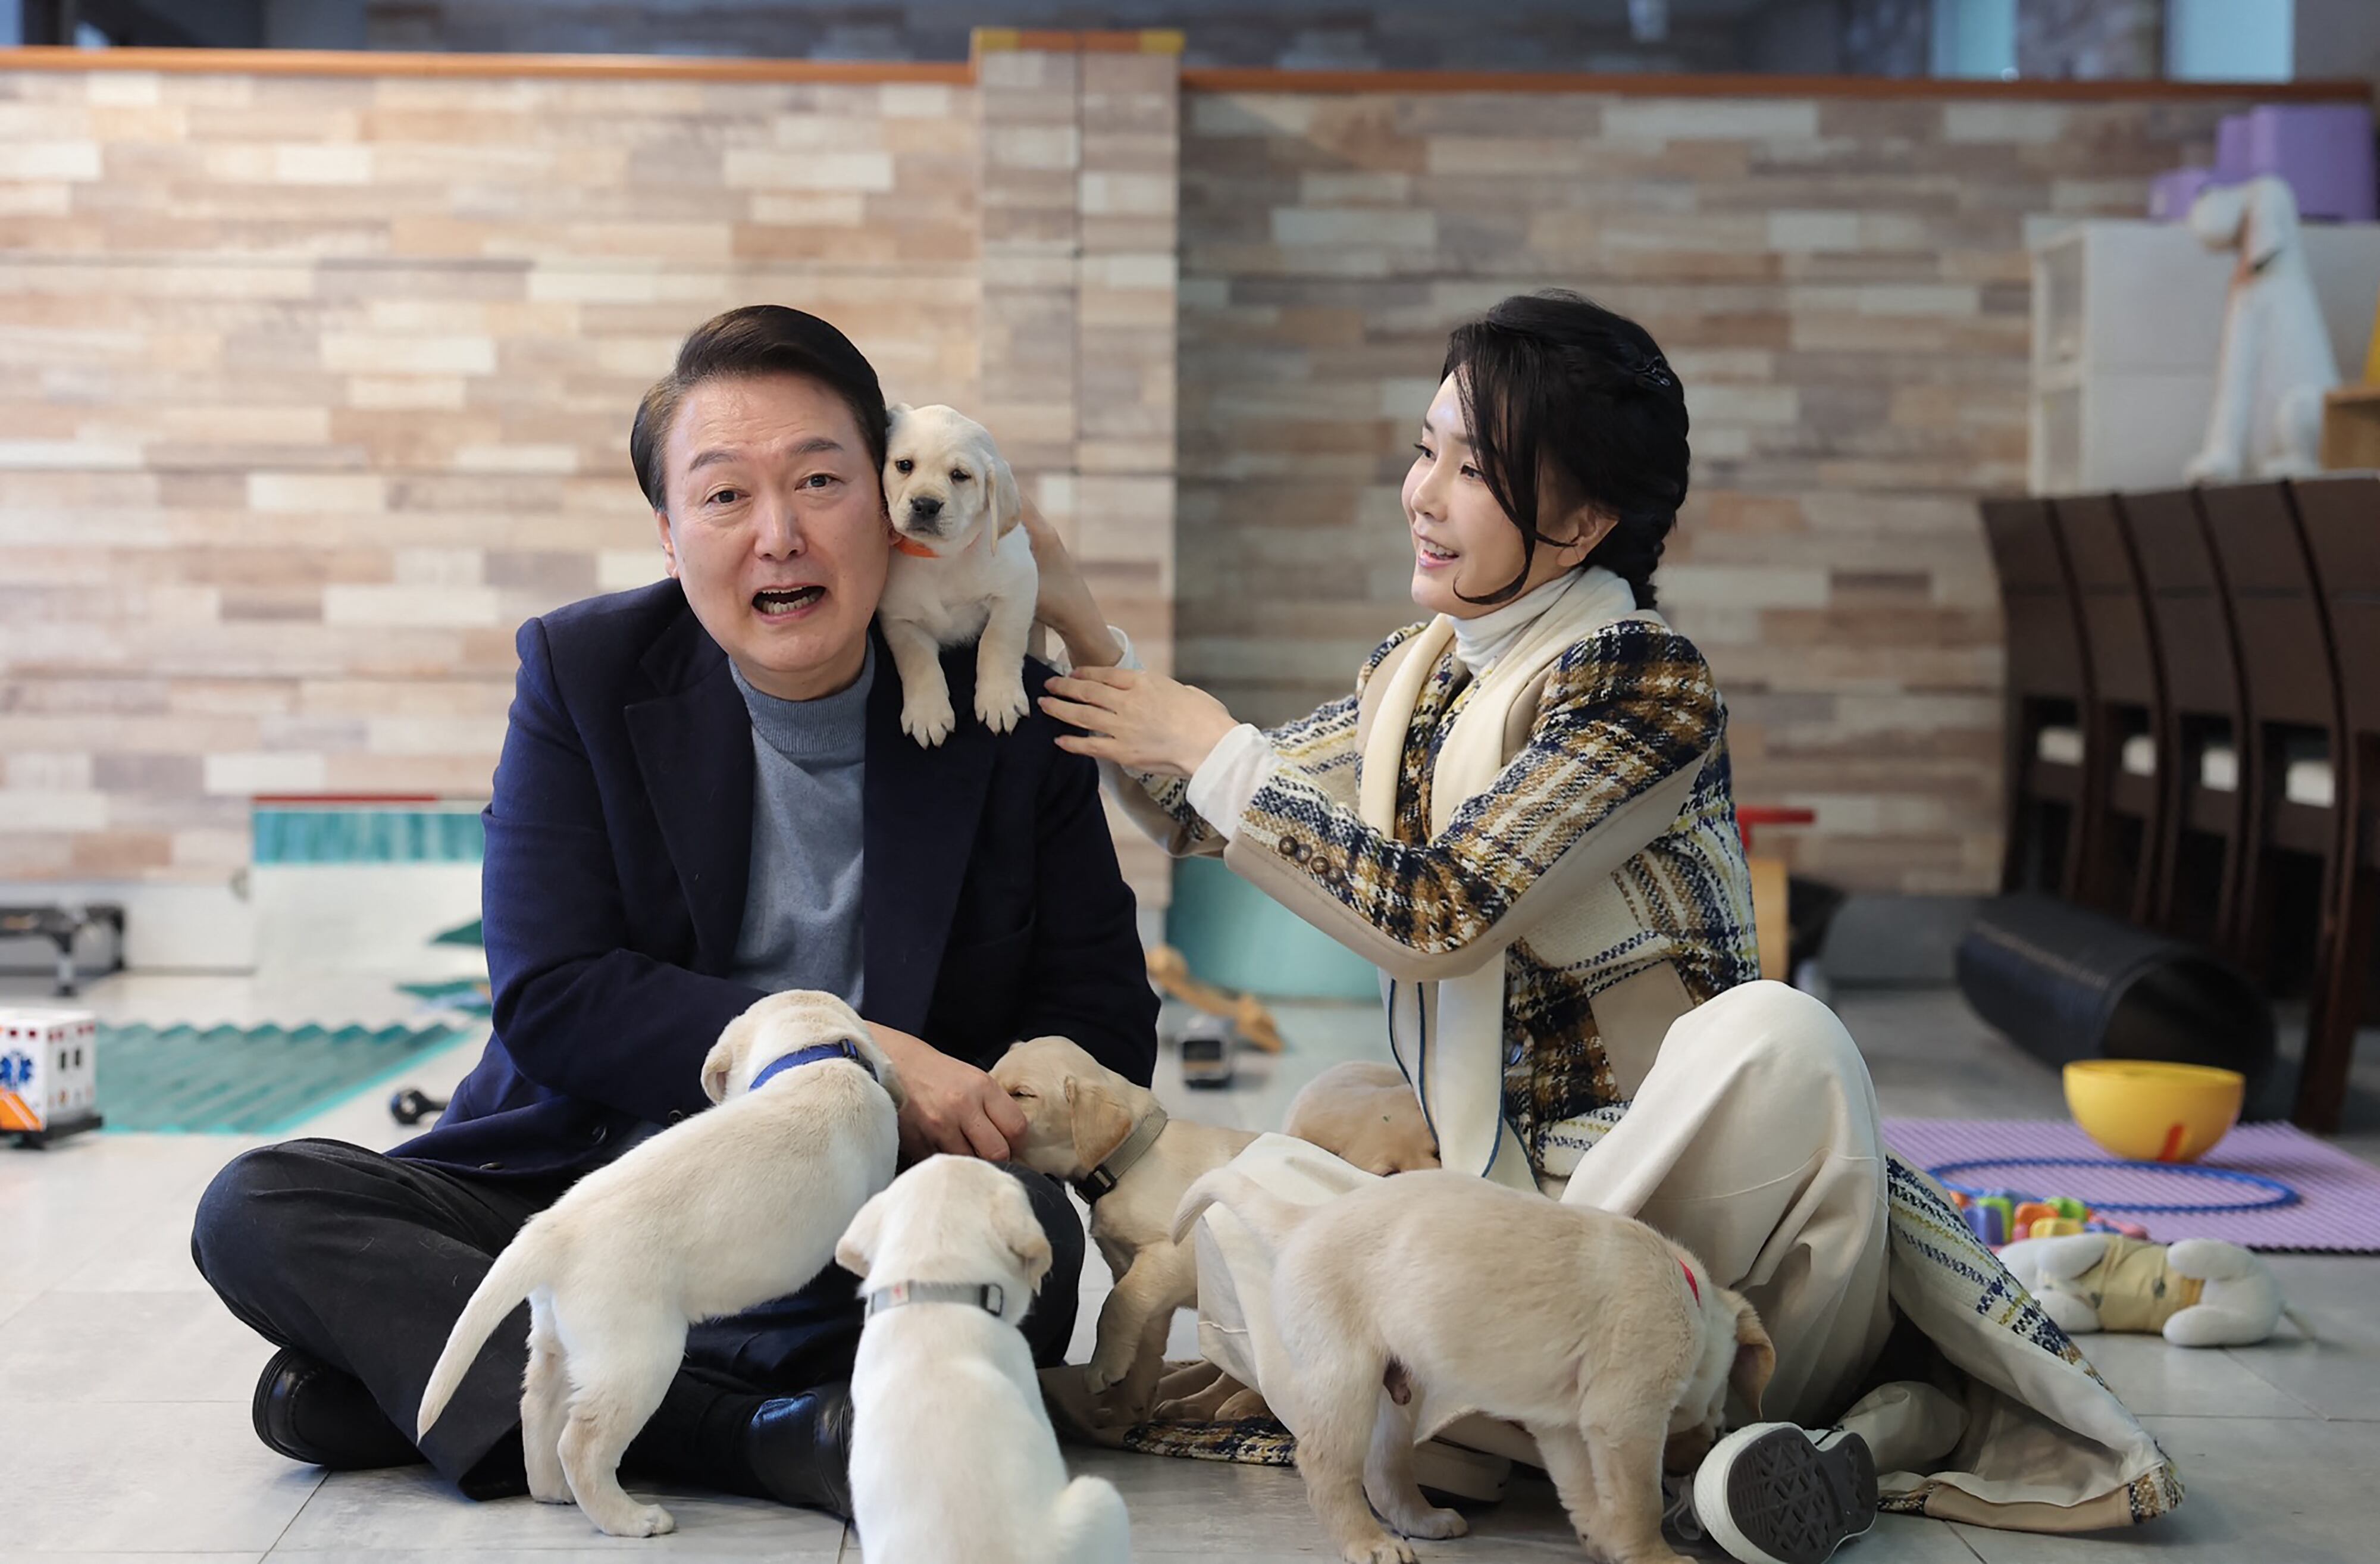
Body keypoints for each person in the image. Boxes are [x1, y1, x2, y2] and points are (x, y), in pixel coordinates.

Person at [1031, 291, 2177, 1562]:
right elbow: (1197, 808)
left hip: (1680, 1202)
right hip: (1504, 1211)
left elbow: (1441, 914)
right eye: (1425, 450)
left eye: (1474, 471)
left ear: (1581, 521)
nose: (1423, 493)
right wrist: (1074, 619)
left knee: (1777, 1042)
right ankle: (1692, 1440)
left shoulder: (1643, 678)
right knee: (1265, 1181)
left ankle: (1716, 1402)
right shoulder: (1416, 671)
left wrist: (1219, 754)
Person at [189, 305, 1158, 1519]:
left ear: (893, 508)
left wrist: (940, 1113)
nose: (779, 536)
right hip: (600, 1177)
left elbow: (1104, 1035)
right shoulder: (583, 673)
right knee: (259, 1206)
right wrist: (862, 1052)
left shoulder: (1008, 717)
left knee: (1018, 1249)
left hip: (855, 1205)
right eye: (723, 498)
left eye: (819, 481)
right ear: (666, 532)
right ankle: (750, 1431)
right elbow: (553, 994)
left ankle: (492, 1387)